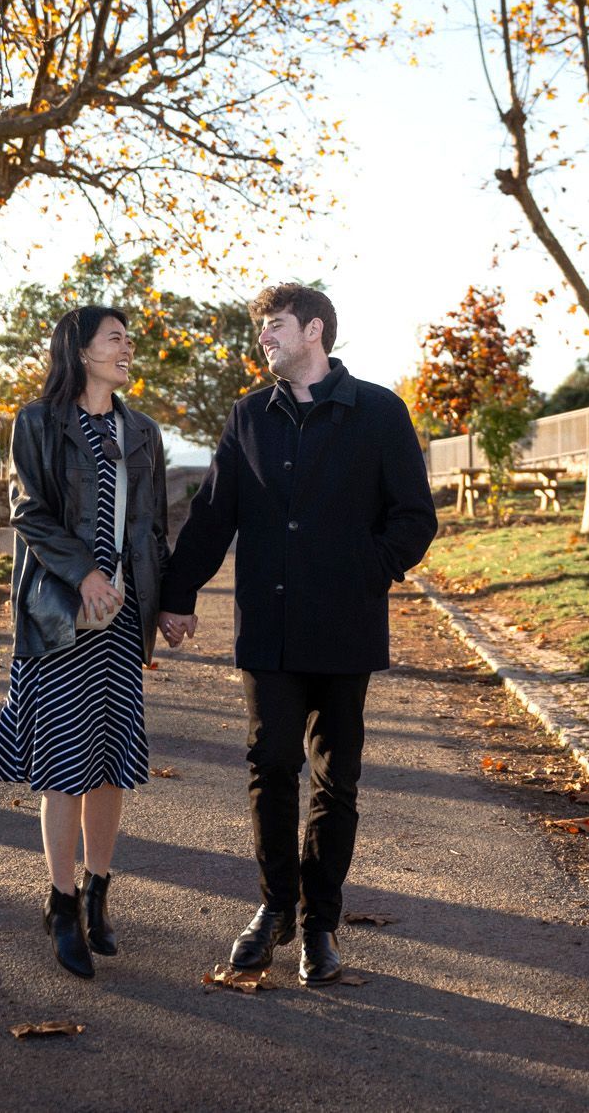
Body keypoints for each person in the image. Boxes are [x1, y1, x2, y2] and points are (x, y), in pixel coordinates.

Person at [158, 283, 437, 987]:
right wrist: (176, 594)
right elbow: (214, 513)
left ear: (314, 330)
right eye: (261, 330)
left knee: (335, 782)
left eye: (274, 327)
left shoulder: (377, 411)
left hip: (345, 628)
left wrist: (361, 572)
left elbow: (413, 519)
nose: (264, 339)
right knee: (270, 766)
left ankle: (320, 925)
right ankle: (274, 908)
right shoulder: (249, 415)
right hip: (270, 628)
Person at [0, 305, 169, 978]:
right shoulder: (38, 422)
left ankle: (98, 890)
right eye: (114, 338)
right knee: (65, 762)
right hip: (61, 616)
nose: (126, 348)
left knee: (111, 761)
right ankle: (61, 902)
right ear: (81, 349)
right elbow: (29, 510)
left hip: (120, 619)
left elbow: (151, 531)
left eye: (127, 339)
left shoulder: (141, 431)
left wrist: (168, 603)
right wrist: (85, 573)